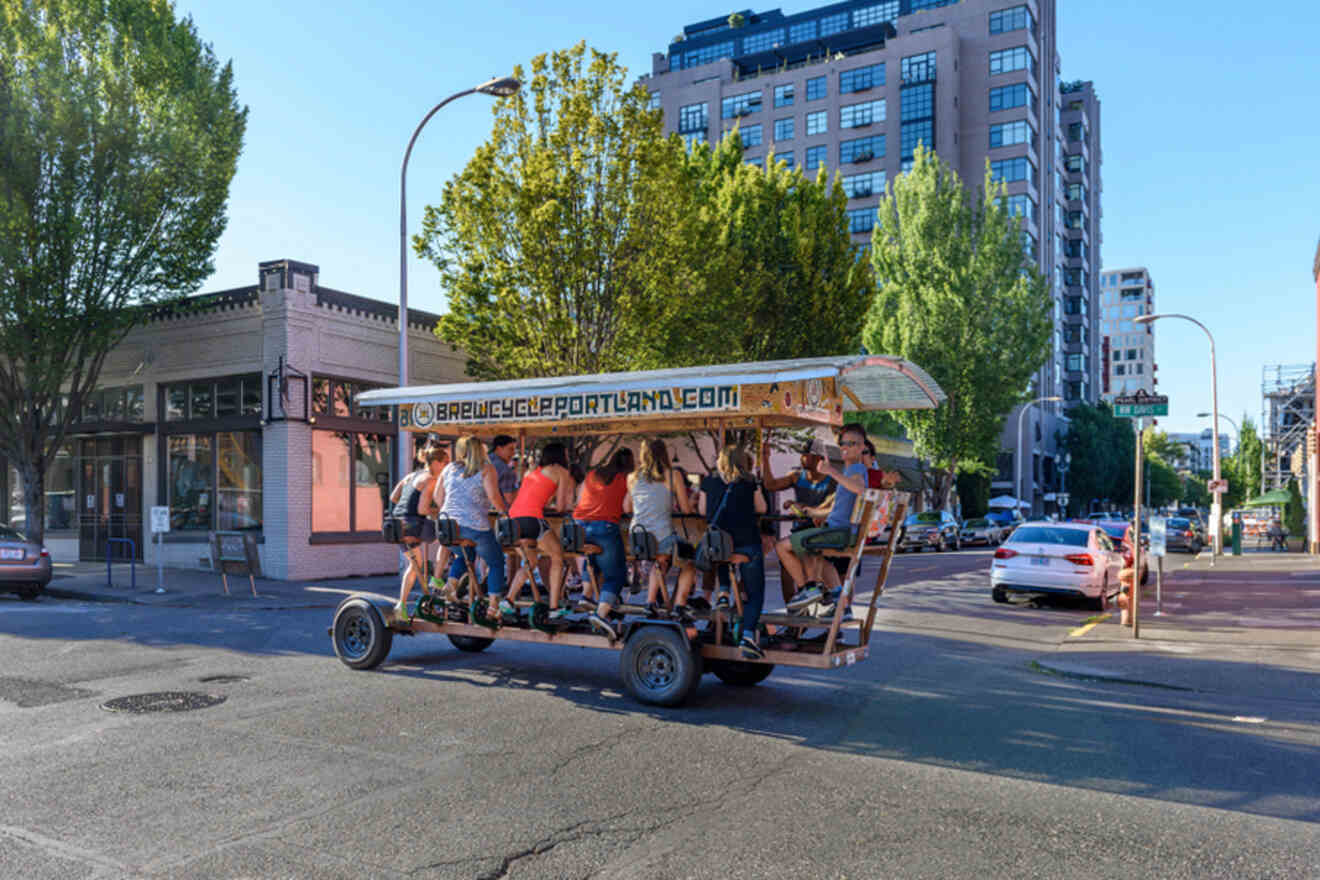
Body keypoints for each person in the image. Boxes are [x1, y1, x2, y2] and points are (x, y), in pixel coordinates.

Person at [778, 423, 871, 613]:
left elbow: (860, 489)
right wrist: (812, 513)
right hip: (835, 529)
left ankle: (808, 589)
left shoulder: (857, 469)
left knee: (782, 547)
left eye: (852, 443)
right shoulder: (850, 471)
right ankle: (841, 605)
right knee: (821, 558)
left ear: (862, 447)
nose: (845, 447)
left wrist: (831, 472)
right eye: (843, 443)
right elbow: (840, 508)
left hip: (839, 533)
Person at [698, 446, 769, 659]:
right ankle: (747, 637)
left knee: (722, 556)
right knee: (755, 593)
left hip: (720, 547)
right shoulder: (750, 482)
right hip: (748, 546)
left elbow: (703, 512)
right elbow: (763, 508)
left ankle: (723, 595)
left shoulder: (708, 482)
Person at [435, 435, 512, 621]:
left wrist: (452, 510)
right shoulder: (486, 469)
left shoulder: (449, 468)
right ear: (480, 450)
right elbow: (494, 497)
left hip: (447, 526)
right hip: (474, 525)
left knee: (464, 554)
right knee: (495, 561)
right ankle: (493, 608)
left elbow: (438, 497)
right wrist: (504, 513)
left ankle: (451, 585)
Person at [505, 442, 577, 620]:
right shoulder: (561, 472)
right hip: (532, 518)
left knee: (530, 562)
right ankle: (554, 606)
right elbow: (561, 506)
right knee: (558, 556)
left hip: (513, 520)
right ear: (560, 455)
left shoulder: (532, 472)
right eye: (566, 454)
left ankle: (509, 600)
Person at [761, 440, 839, 601]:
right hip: (800, 531)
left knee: (821, 565)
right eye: (801, 454)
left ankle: (825, 598)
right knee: (786, 570)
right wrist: (765, 458)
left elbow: (829, 507)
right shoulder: (796, 476)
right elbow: (770, 485)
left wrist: (800, 506)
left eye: (805, 454)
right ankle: (794, 609)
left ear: (818, 458)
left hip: (821, 532)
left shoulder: (832, 481)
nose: (801, 458)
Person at [629, 439, 697, 616]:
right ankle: (680, 605)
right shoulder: (673, 475)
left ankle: (650, 602)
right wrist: (693, 499)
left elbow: (626, 508)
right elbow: (686, 509)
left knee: (660, 561)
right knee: (689, 561)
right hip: (661, 537)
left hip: (637, 537)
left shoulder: (632, 477)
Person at [575, 448, 636, 640]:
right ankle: (600, 614)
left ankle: (586, 595)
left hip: (579, 525)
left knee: (591, 557)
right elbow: (628, 507)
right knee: (616, 575)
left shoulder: (593, 473)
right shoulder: (628, 478)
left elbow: (579, 499)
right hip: (605, 526)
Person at [391, 447, 446, 620]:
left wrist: (407, 504)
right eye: (445, 462)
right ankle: (437, 578)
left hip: (396, 524)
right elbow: (423, 509)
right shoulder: (430, 480)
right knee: (448, 537)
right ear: (436, 463)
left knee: (415, 565)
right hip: (413, 525)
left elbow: (393, 497)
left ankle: (402, 604)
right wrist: (439, 510)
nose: (447, 466)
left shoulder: (411, 476)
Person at [489, 435, 519, 507]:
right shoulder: (505, 470)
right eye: (510, 449)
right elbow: (510, 499)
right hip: (501, 512)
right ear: (499, 449)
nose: (513, 453)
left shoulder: (482, 461)